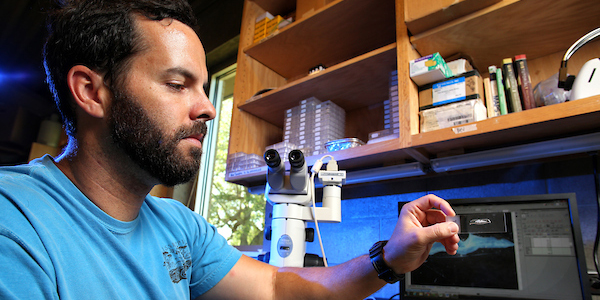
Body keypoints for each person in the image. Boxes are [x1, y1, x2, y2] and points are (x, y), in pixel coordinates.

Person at [0, 0, 460, 299]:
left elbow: (278, 289)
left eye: (204, 87)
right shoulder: (15, 221)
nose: (208, 108)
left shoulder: (178, 227)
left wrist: (388, 259)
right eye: (178, 84)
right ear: (92, 92)